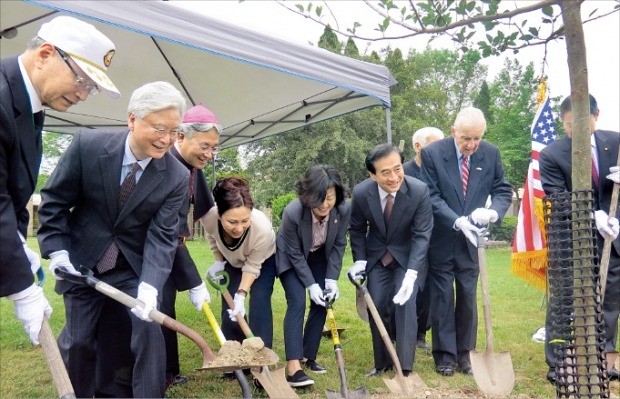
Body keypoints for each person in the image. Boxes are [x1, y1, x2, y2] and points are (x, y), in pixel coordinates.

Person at [37, 81, 189, 398]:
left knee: (149, 333)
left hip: (131, 269)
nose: (166, 139)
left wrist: (150, 285)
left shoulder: (176, 175)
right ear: (132, 119)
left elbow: (163, 236)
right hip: (81, 264)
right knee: (79, 341)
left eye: (174, 131)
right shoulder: (88, 147)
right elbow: (54, 203)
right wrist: (58, 253)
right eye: (159, 128)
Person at [0, 16, 118, 347]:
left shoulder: (29, 103)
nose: (84, 95)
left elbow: (13, 190)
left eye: (91, 87)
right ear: (45, 54)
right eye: (81, 79)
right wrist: (23, 290)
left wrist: (18, 246)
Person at [420, 107, 512, 377]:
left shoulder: (491, 153)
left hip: (473, 244)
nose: (471, 145)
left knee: (468, 298)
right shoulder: (433, 154)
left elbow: (502, 188)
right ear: (453, 132)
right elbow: (431, 196)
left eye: (477, 138)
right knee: (442, 297)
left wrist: (493, 211)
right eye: (466, 138)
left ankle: (466, 355)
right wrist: (458, 220)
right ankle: (445, 356)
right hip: (443, 238)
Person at [539, 94, 620, 383]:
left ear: (597, 115)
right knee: (564, 302)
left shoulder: (617, 143)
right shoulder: (552, 154)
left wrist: (614, 217)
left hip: (612, 239)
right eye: (570, 125)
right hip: (570, 240)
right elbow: (558, 198)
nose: (576, 131)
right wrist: (592, 215)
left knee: (609, 301)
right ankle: (558, 364)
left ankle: (604, 360)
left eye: (581, 123)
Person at [348, 143, 433, 377]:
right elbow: (356, 229)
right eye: (385, 172)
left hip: (408, 259)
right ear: (372, 174)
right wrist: (360, 260)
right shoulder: (362, 193)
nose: (394, 177)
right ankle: (382, 362)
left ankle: (404, 366)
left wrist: (413, 273)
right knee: (377, 303)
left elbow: (422, 234)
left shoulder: (419, 191)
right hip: (377, 258)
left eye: (398, 169)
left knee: (405, 304)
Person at [161, 104, 221, 387]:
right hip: (155, 251)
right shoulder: (163, 164)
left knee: (166, 308)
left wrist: (225, 253)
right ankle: (154, 377)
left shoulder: (193, 167)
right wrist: (195, 281)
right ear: (181, 137)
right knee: (156, 312)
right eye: (204, 146)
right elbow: (167, 233)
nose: (209, 155)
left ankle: (168, 372)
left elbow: (209, 214)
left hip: (174, 249)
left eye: (214, 149)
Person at [276, 165, 351, 387]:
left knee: (322, 302)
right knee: (298, 301)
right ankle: (293, 367)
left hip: (319, 256)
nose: (324, 204)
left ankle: (309, 357)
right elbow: (295, 254)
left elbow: (339, 244)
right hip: (291, 256)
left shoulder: (343, 209)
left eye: (330, 198)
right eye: (319, 198)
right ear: (307, 194)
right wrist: (310, 284)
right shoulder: (292, 212)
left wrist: (330, 280)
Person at [202, 177, 277, 350]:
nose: (239, 228)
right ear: (219, 215)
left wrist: (241, 294)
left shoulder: (262, 229)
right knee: (230, 309)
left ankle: (260, 358)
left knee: (259, 301)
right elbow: (212, 236)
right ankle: (234, 355)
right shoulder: (209, 218)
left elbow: (252, 267)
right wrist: (218, 262)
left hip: (263, 260)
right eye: (232, 222)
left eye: (245, 221)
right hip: (231, 259)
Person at [403, 126, 445, 350]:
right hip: (409, 240)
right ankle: (402, 331)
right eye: (434, 144)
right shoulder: (402, 172)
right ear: (417, 146)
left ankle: (421, 333)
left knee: (430, 289)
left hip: (437, 240)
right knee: (411, 286)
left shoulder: (443, 172)